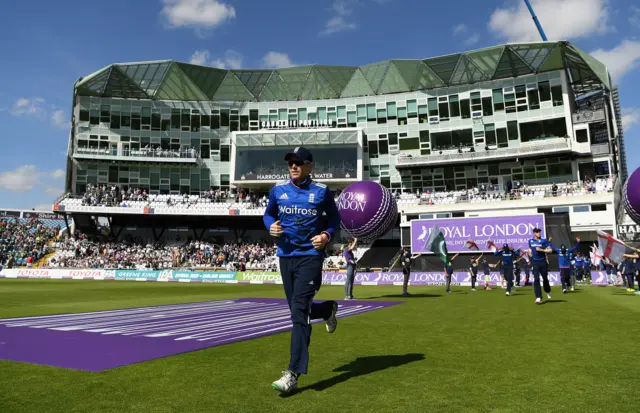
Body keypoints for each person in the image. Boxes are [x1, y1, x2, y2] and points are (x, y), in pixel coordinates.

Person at [263, 146, 341, 393]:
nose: (293, 166)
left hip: (310, 257)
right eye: (290, 163)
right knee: (300, 310)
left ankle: (293, 373)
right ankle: (327, 309)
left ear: (310, 166)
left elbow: (335, 219)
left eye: (298, 162)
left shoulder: (320, 191)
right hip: (286, 257)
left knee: (298, 312)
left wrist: (326, 235)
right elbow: (268, 214)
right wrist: (270, 227)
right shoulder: (278, 190)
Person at [528, 228, 553, 305]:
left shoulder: (544, 240)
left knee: (545, 278)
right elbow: (530, 250)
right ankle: (538, 297)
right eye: (537, 232)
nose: (539, 233)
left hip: (543, 262)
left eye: (539, 232)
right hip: (535, 262)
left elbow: (550, 250)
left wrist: (541, 250)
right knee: (536, 279)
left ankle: (548, 290)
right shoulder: (530, 241)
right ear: (534, 233)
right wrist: (530, 253)